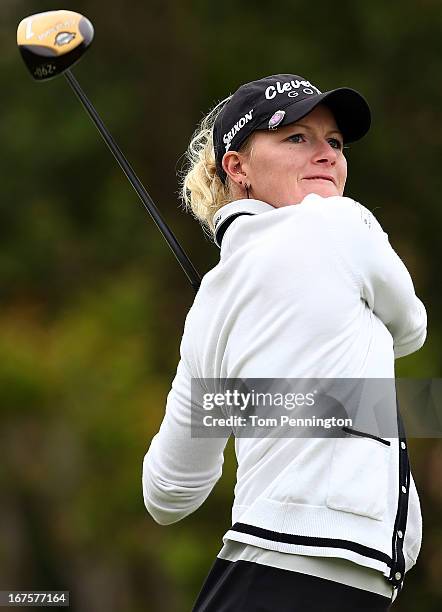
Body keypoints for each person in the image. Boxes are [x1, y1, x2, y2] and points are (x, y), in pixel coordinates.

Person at [142, 74, 427, 611]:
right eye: (296, 137)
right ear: (237, 166)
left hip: (263, 579)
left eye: (335, 143)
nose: (325, 155)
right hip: (297, 579)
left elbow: (168, 493)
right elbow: (411, 328)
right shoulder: (340, 222)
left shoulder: (209, 304)